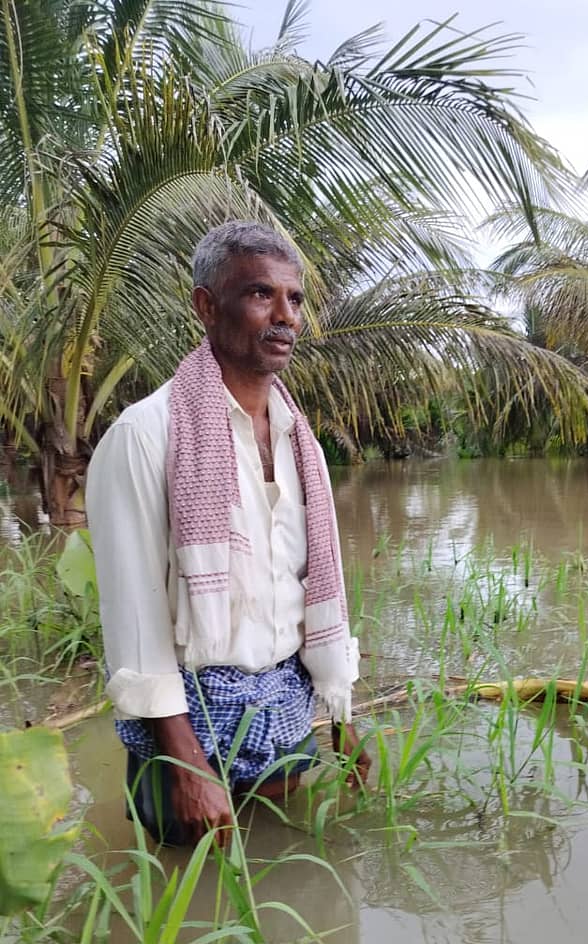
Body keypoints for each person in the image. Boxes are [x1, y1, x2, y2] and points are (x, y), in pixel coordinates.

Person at [86, 221, 371, 846]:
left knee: (284, 868)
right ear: (206, 306)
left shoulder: (303, 446)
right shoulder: (145, 437)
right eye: (260, 294)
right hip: (188, 722)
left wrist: (340, 713)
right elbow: (135, 620)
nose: (284, 316)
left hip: (286, 706)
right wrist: (188, 764)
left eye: (294, 299)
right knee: (184, 896)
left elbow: (315, 582)